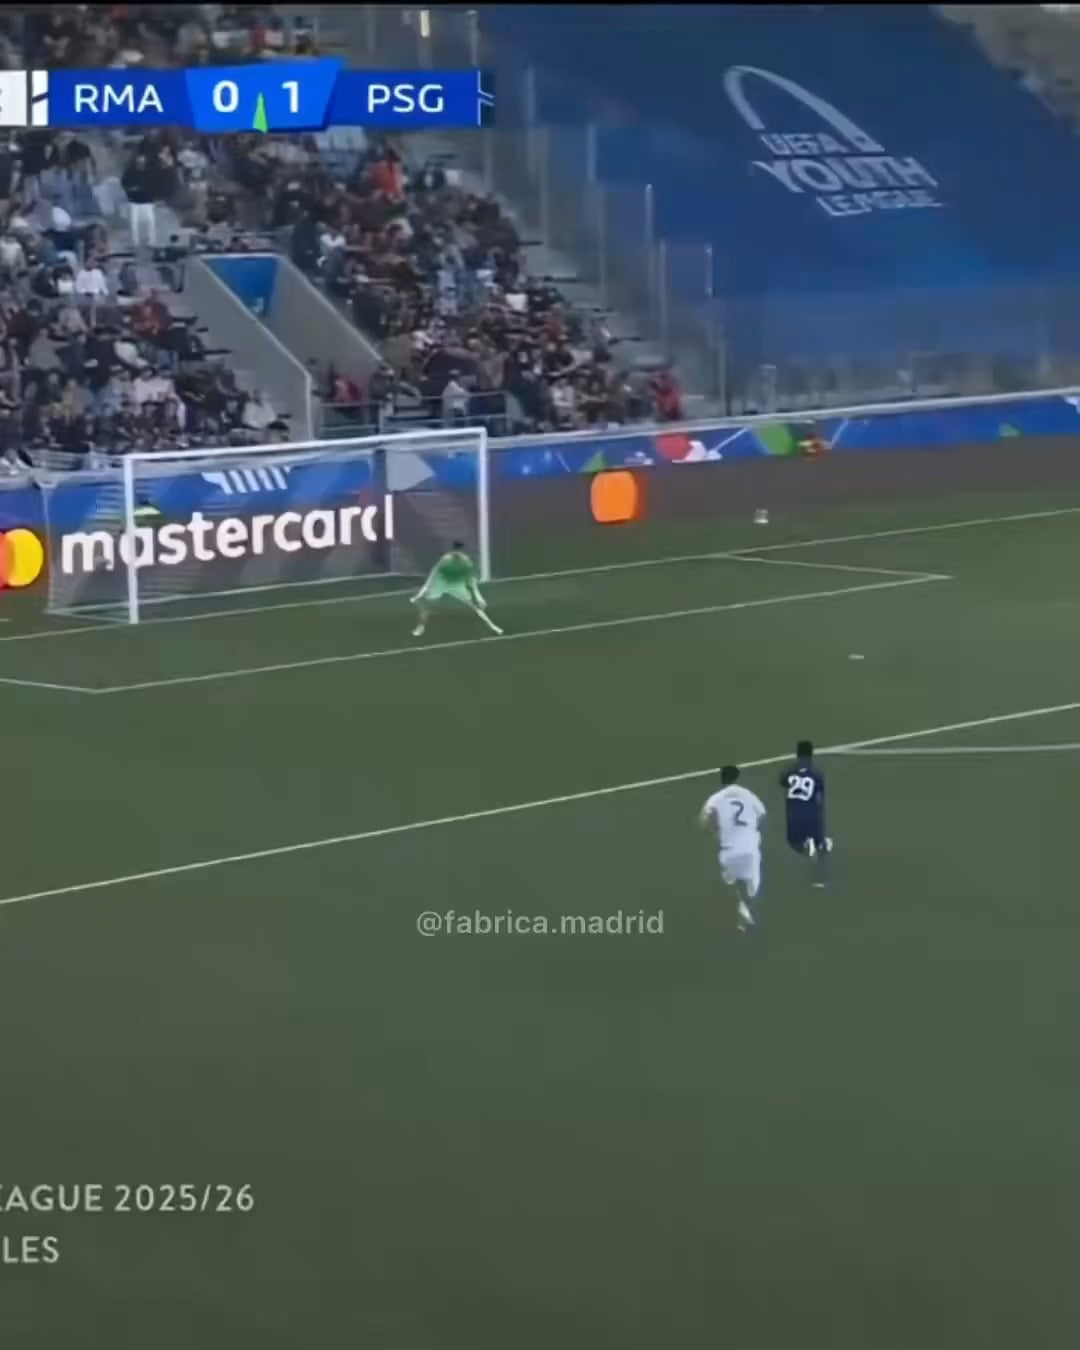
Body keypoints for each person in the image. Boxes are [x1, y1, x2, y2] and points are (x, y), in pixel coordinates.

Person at [699, 766, 767, 931]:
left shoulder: (716, 798)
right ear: (738, 779)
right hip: (750, 849)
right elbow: (762, 814)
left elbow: (703, 820)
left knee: (731, 880)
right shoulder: (747, 794)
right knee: (753, 888)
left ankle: (741, 904)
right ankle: (746, 908)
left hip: (729, 851)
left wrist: (714, 832)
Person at [411, 541, 503, 638]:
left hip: (456, 584)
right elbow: (433, 573)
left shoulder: (466, 562)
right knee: (428, 604)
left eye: (459, 551)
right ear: (453, 551)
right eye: (456, 551)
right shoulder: (445, 559)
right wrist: (425, 589)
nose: (457, 553)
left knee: (475, 605)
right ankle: (421, 626)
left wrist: (478, 596)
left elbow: (471, 580)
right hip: (441, 582)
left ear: (462, 551)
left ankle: (492, 626)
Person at [779, 740, 832, 888]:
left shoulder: (789, 771)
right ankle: (819, 880)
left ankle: (807, 846)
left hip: (793, 814)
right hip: (811, 814)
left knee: (793, 843)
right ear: (811, 753)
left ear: (797, 753)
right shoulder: (817, 774)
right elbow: (819, 798)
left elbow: (782, 781)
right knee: (820, 845)